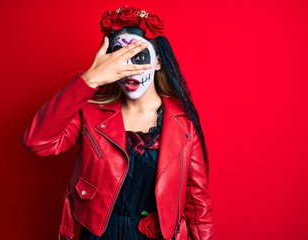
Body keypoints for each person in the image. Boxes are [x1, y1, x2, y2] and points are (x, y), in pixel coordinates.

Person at [23, 5, 217, 240]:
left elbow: (198, 205)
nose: (130, 69)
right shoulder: (91, 113)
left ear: (157, 62)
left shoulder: (183, 123)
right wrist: (90, 79)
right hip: (99, 234)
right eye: (119, 58)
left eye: (139, 56)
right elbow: (38, 141)